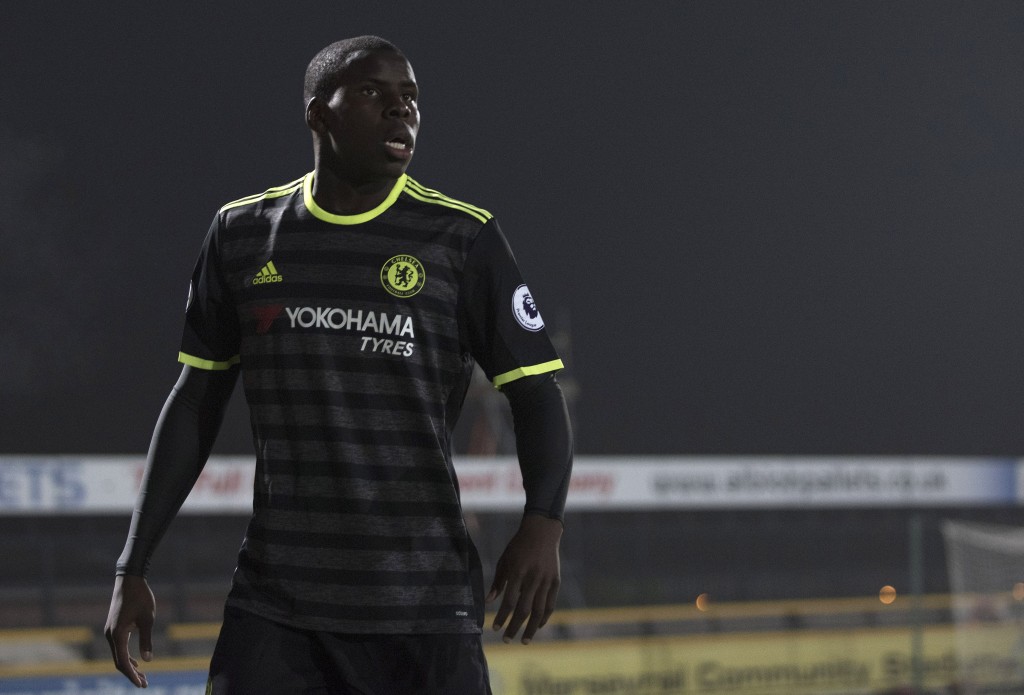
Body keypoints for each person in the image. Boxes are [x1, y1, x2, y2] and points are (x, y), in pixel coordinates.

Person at [103, 35, 573, 694]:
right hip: (276, 609)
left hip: (423, 605)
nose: (400, 112)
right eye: (375, 94)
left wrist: (543, 522)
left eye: (410, 98)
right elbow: (195, 401)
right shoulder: (241, 233)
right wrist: (133, 564)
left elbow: (537, 394)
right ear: (318, 113)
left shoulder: (463, 238)